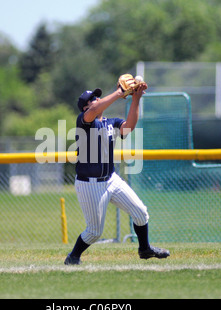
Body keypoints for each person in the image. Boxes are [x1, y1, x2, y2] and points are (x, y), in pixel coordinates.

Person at [65, 80, 170, 265]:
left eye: (97, 96)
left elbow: (128, 127)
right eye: (92, 99)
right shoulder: (84, 121)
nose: (96, 99)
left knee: (141, 213)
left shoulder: (109, 122)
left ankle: (144, 249)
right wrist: (119, 92)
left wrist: (136, 98)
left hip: (111, 180)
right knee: (94, 232)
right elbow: (93, 111)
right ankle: (73, 257)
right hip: (90, 184)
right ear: (85, 107)